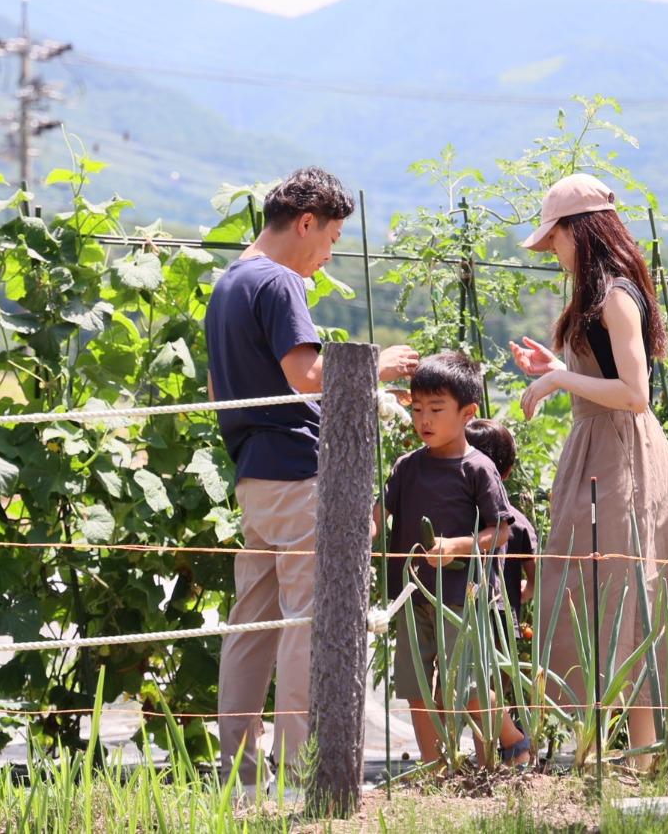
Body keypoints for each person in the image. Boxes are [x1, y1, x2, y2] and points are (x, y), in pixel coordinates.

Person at [207, 167, 419, 792]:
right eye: (329, 240)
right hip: (300, 475)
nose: (327, 257)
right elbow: (305, 375)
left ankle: (240, 781)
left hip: (253, 477)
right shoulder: (279, 281)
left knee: (251, 628)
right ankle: (304, 778)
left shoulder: (227, 285)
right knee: (307, 624)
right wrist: (373, 367)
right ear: (305, 223)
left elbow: (220, 393)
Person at [511, 172, 668, 768]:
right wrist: (556, 364)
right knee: (592, 589)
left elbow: (635, 393)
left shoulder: (614, 295)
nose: (551, 252)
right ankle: (615, 754)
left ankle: (640, 757)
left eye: (553, 239)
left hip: (622, 451)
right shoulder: (595, 296)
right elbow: (607, 375)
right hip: (598, 445)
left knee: (623, 589)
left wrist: (559, 378)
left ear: (577, 233)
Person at [379, 351, 528, 766]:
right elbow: (378, 514)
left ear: (468, 413)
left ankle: (506, 747)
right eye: (418, 408)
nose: (424, 419)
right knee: (416, 685)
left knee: (470, 684)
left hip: (463, 595)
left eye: (436, 409)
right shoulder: (406, 467)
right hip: (412, 594)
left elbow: (501, 530)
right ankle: (434, 767)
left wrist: (457, 546)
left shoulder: (478, 469)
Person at [463, 416, 539, 763]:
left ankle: (493, 756)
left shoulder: (465, 518)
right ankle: (493, 757)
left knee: (476, 685)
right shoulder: (517, 521)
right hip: (503, 614)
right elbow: (533, 568)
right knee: (494, 683)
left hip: (476, 608)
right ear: (507, 472)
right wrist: (528, 590)